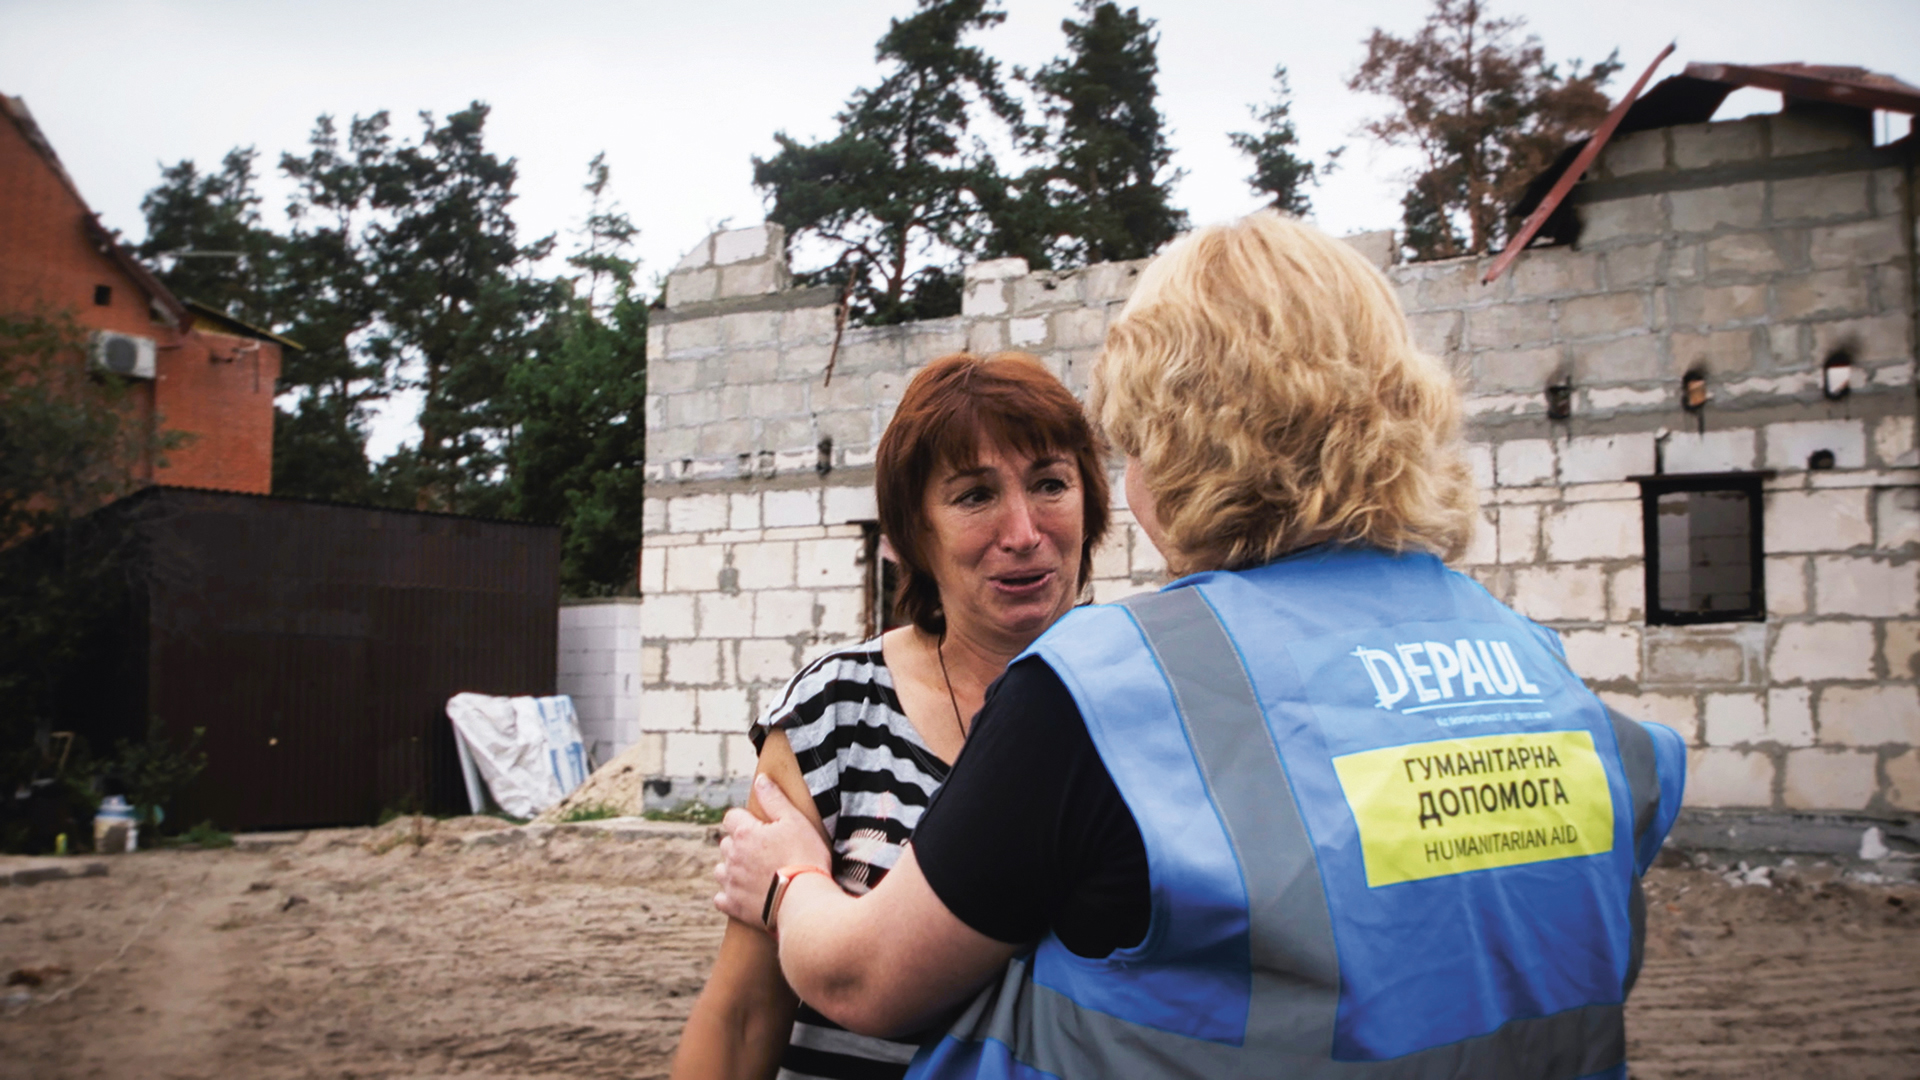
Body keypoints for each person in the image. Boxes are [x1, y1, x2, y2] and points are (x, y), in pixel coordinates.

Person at [712, 212, 1687, 1080]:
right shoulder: (1535, 668)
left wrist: (792, 878)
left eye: (1123, 446)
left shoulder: (1114, 686)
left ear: (1182, 443)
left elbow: (864, 979)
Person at [670, 351, 1111, 1080]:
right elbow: (745, 1011)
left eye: (1051, 483)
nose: (1025, 530)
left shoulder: (1143, 700)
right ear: (913, 534)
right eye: (975, 496)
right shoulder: (834, 715)